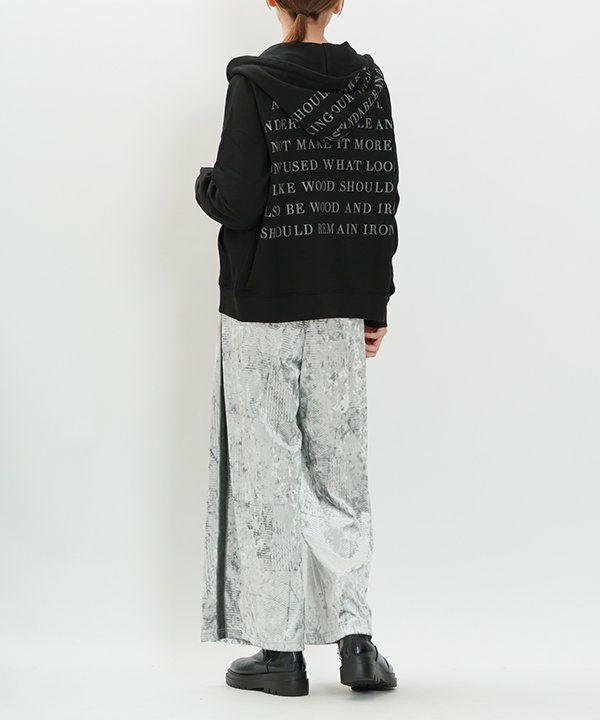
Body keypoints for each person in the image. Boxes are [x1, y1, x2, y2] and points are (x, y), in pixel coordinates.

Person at [195, 0, 399, 697]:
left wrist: (204, 186)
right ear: (338, 3)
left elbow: (238, 201)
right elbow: (378, 198)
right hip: (341, 306)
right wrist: (374, 303)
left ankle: (281, 655)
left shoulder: (251, 82)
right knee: (342, 471)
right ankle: (357, 643)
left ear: (272, 2)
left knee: (269, 474)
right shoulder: (369, 84)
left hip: (261, 310)